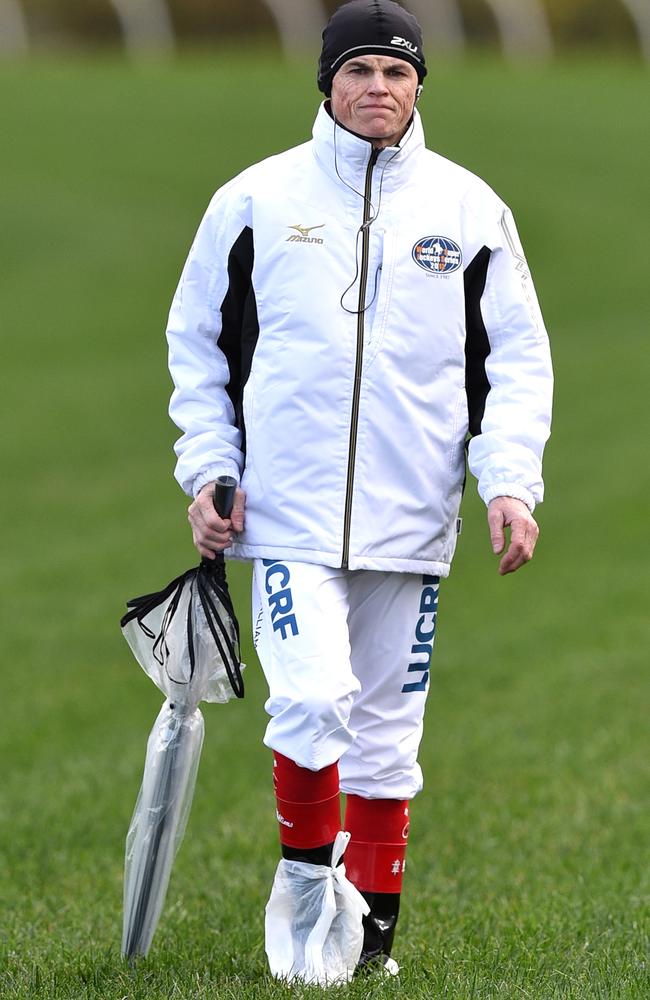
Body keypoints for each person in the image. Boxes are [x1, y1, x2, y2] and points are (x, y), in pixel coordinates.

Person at [166, 0, 553, 984]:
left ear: (419, 85)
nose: (377, 87)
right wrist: (208, 468)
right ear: (326, 83)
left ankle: (372, 934)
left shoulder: (468, 211)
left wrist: (506, 481)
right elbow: (196, 348)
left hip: (412, 521)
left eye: (395, 71)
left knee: (387, 738)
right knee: (309, 701)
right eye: (358, 71)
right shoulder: (251, 200)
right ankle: (303, 909)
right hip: (284, 516)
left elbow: (516, 357)